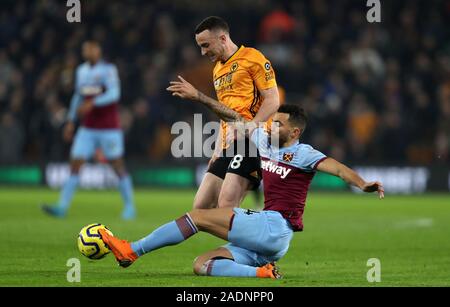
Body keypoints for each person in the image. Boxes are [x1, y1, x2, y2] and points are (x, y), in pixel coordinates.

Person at [98, 104, 384, 278]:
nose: (272, 125)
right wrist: (201, 99)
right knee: (202, 264)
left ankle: (132, 250)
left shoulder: (303, 153)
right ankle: (261, 273)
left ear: (295, 132)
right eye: (272, 121)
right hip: (270, 243)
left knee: (199, 216)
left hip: (275, 227)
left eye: (279, 123)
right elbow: (235, 117)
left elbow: (337, 168)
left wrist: (362, 184)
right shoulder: (264, 140)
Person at [167, 16, 280, 210]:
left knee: (226, 207)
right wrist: (218, 148)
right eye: (200, 47)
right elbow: (224, 113)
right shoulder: (217, 69)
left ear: (222, 38)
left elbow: (273, 99)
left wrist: (252, 126)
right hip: (231, 142)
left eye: (205, 45)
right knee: (201, 208)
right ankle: (256, 231)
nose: (203, 52)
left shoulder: (253, 58)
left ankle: (259, 234)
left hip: (254, 140)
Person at [42, 41, 136, 220]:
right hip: (88, 128)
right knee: (75, 163)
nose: (87, 51)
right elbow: (78, 96)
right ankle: (62, 206)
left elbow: (114, 94)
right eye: (85, 49)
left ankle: (130, 207)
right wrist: (71, 120)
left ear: (98, 50)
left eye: (91, 48)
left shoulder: (108, 70)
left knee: (117, 165)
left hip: (109, 128)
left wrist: (93, 103)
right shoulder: (81, 71)